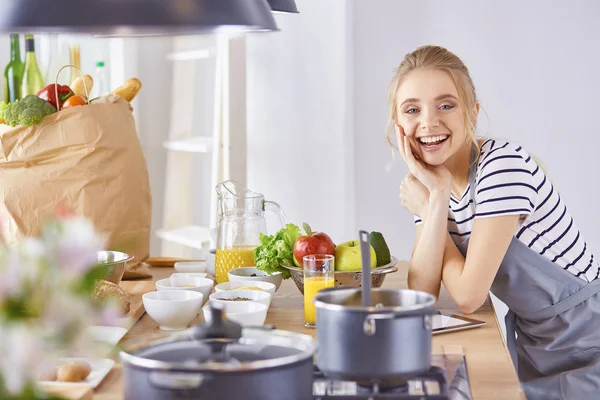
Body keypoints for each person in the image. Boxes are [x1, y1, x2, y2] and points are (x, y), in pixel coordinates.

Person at [387, 45, 600, 400]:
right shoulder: (434, 187)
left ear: (472, 112)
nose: (428, 121)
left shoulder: (501, 165)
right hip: (536, 342)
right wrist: (436, 203)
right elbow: (421, 294)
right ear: (399, 126)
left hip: (587, 339)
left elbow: (469, 295)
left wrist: (431, 208)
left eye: (446, 105)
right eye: (412, 109)